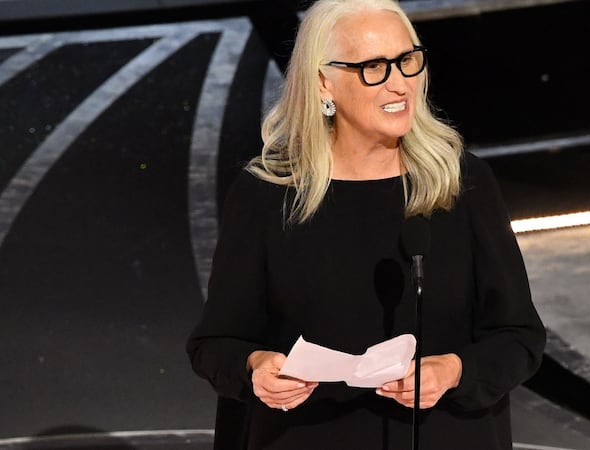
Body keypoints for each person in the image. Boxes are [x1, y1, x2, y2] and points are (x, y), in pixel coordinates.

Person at [186, 0, 546, 449]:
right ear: (323, 82)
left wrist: (454, 370)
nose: (400, 83)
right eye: (374, 67)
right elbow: (215, 344)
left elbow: (519, 337)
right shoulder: (266, 195)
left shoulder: (461, 183)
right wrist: (256, 367)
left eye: (407, 61)